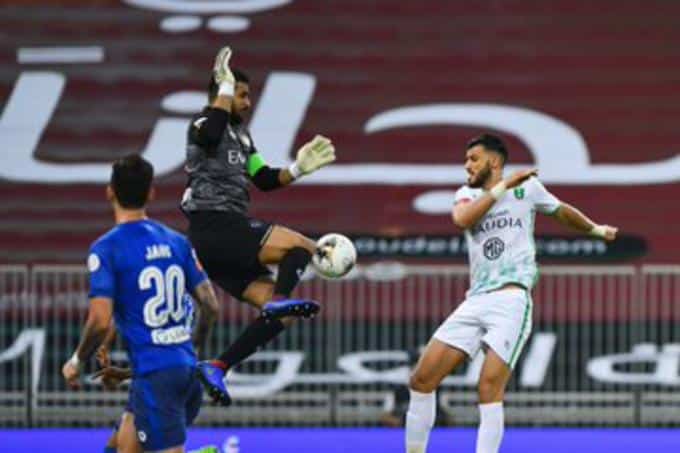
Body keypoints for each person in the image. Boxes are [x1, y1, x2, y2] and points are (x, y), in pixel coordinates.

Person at [404, 134, 618, 453]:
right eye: (466, 160)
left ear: (494, 161)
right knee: (421, 379)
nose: (467, 166)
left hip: (511, 299)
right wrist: (501, 187)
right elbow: (463, 219)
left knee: (488, 386)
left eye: (473, 159)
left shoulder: (527, 189)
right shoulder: (467, 195)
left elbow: (560, 211)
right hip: (475, 299)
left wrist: (595, 230)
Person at [180, 45, 335, 405]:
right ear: (223, 92)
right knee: (300, 245)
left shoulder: (244, 137)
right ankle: (281, 297)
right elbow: (211, 135)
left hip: (224, 247)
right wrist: (222, 90)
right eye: (242, 94)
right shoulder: (204, 123)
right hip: (215, 225)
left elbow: (263, 178)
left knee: (283, 314)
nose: (248, 103)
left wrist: (298, 169)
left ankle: (219, 365)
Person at [62, 155, 219, 453]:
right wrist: (191, 350)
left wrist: (76, 361)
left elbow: (99, 320)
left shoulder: (107, 248)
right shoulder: (177, 242)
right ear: (150, 193)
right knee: (120, 447)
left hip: (156, 380)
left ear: (110, 191)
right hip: (178, 373)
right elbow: (210, 306)